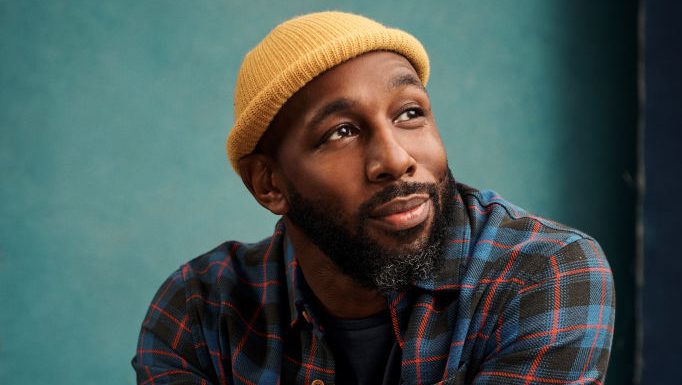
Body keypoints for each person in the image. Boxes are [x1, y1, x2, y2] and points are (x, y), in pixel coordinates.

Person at [132, 11, 615, 385]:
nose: (396, 158)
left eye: (409, 113)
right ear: (269, 184)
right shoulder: (201, 312)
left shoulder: (545, 272)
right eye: (341, 131)